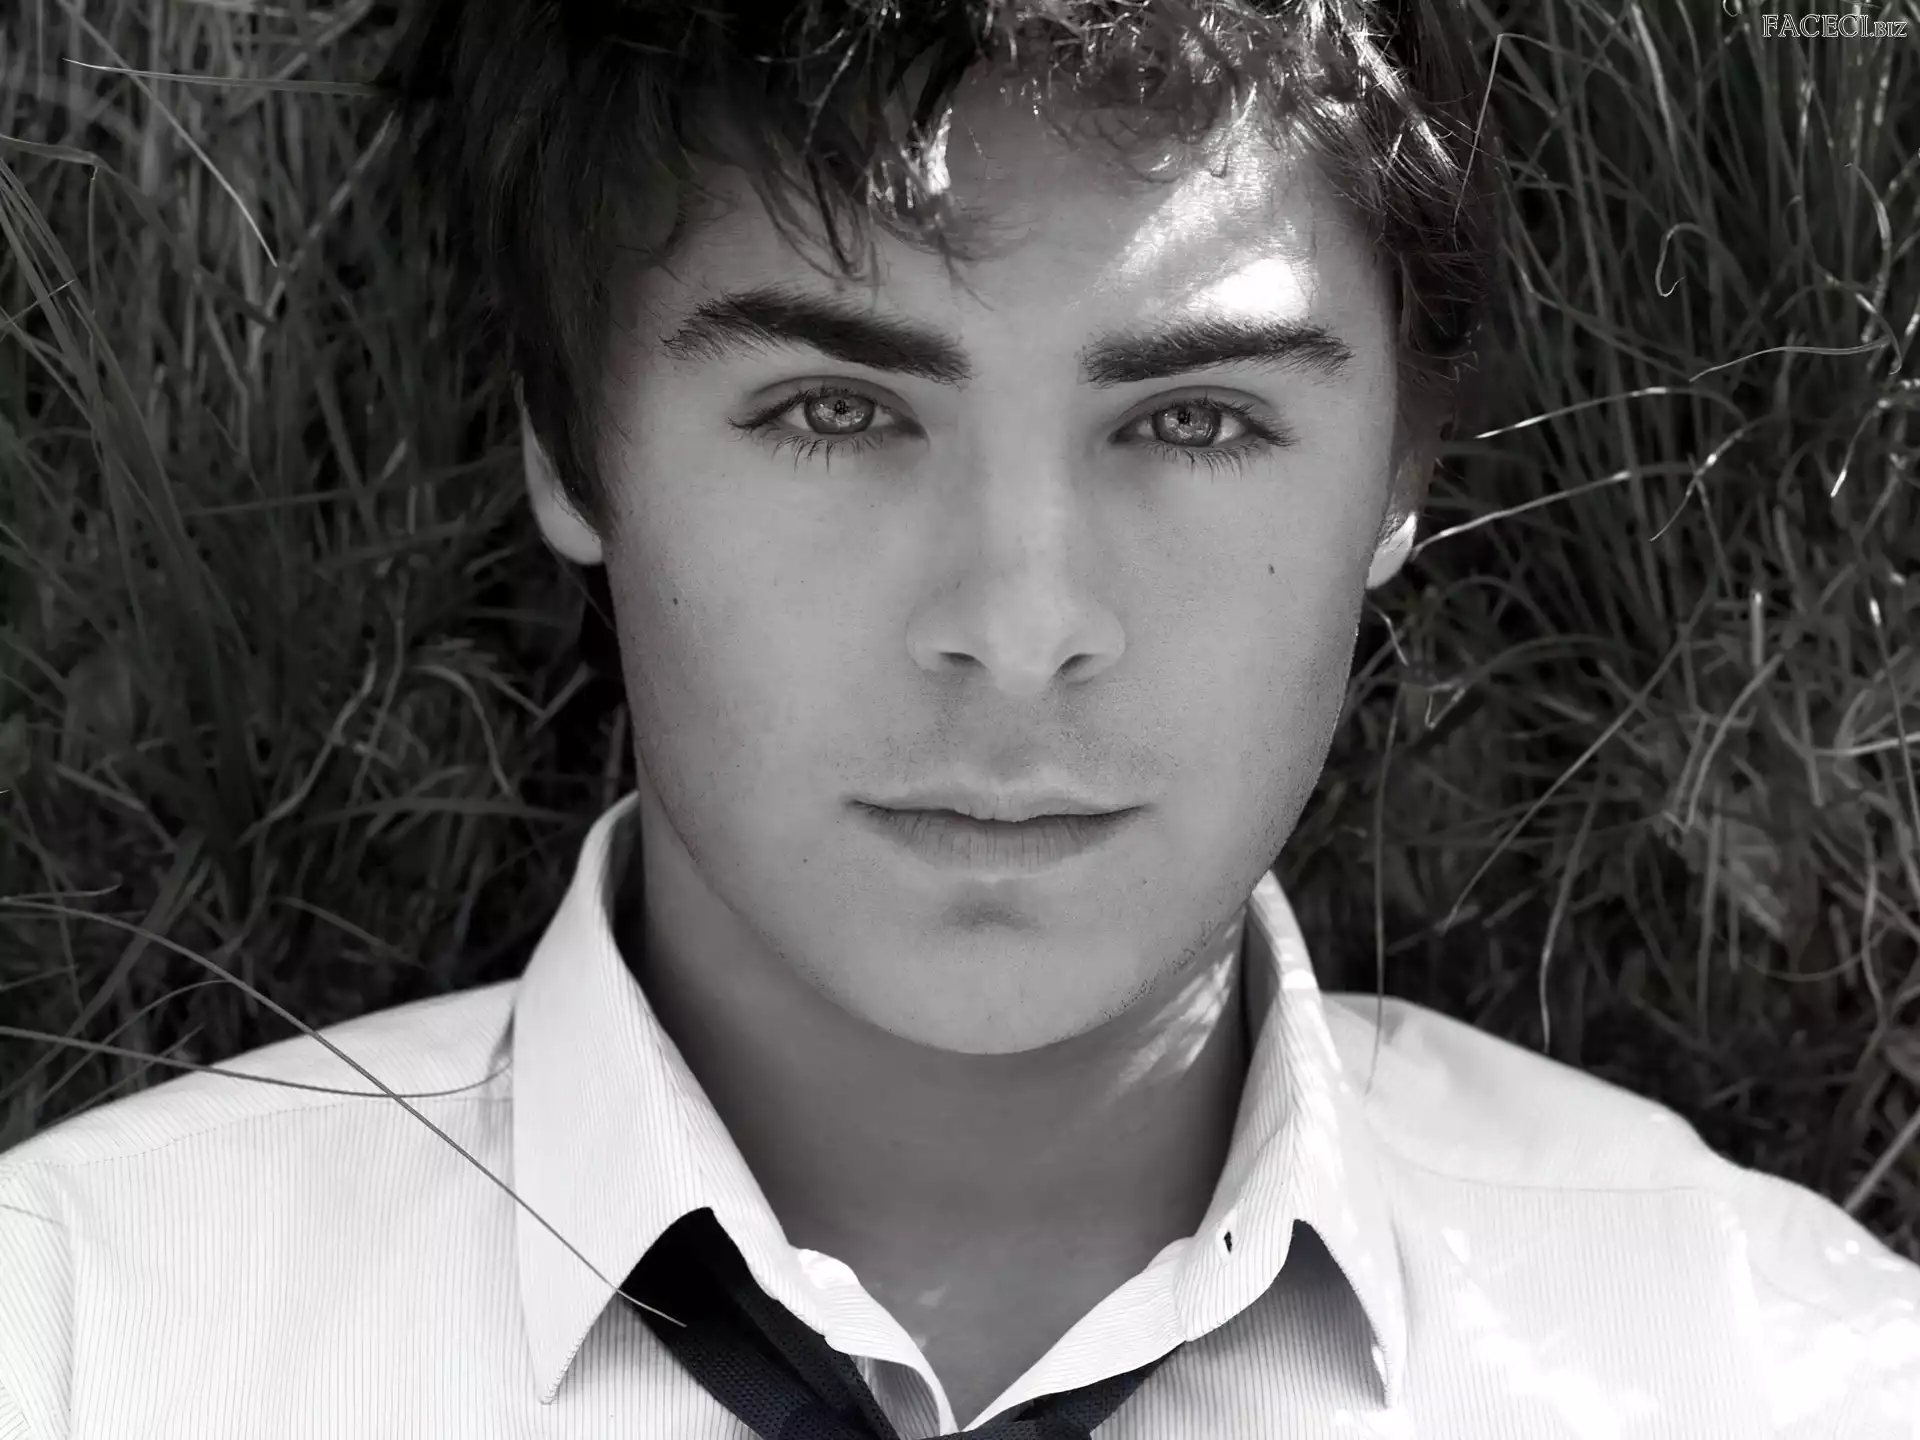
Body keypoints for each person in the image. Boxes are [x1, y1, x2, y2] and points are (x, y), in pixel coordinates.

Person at [3, 2, 1916, 1436]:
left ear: (1402, 471)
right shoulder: (77, 1343)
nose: (1017, 632)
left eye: (1195, 421)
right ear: (571, 446)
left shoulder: (1790, 1375)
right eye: (834, 412)